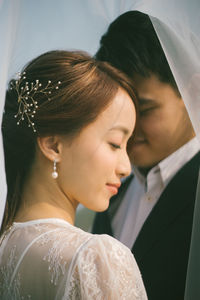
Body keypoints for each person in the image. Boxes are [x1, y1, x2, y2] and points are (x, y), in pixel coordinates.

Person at [0, 50, 148, 299]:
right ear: (53, 145)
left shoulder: (6, 249)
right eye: (114, 143)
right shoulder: (95, 258)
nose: (126, 167)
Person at [92, 10, 200, 300]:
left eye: (146, 109)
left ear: (192, 91)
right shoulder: (108, 196)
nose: (129, 126)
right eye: (117, 113)